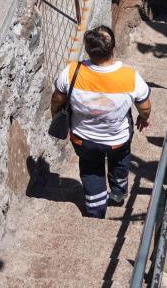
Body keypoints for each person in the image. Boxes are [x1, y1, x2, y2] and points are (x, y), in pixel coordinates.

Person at [50, 25, 151, 218]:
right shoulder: (130, 77)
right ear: (114, 49)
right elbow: (145, 106)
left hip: (83, 140)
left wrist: (55, 114)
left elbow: (57, 99)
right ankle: (118, 192)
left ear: (88, 51)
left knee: (90, 170)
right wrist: (143, 118)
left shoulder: (72, 72)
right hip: (117, 140)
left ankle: (96, 210)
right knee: (120, 161)